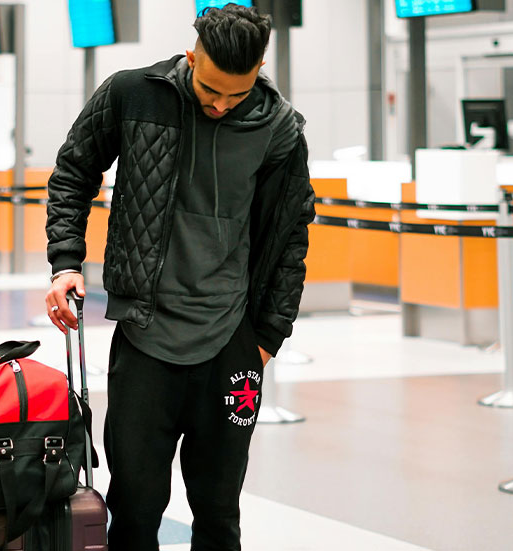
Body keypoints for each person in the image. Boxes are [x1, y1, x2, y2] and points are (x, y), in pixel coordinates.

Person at [44, 4, 314, 549]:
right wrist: (66, 263)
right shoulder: (132, 94)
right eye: (210, 88)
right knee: (135, 509)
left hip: (232, 348)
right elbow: (73, 170)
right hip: (146, 340)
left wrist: (266, 339)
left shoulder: (280, 130)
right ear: (192, 57)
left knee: (218, 514)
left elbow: (290, 236)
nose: (219, 105)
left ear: (259, 69)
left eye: (235, 95)